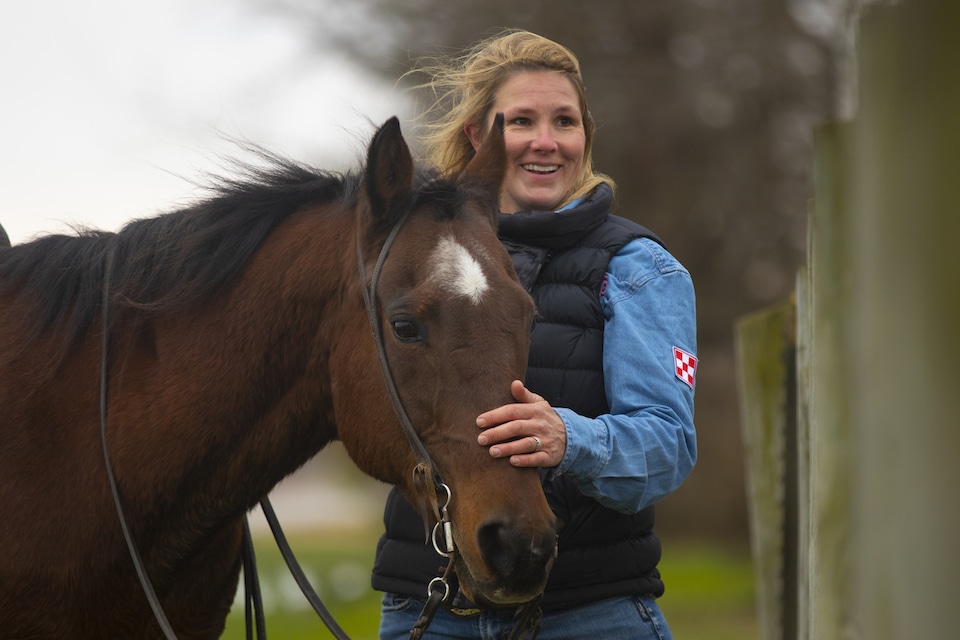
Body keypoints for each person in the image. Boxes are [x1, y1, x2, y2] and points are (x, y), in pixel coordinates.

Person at [372, 29, 697, 640]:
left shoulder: (639, 269)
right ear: (479, 138)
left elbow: (670, 445)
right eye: (521, 121)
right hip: (430, 611)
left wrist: (569, 438)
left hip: (588, 613)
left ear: (585, 138)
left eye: (565, 122)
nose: (546, 142)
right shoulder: (410, 263)